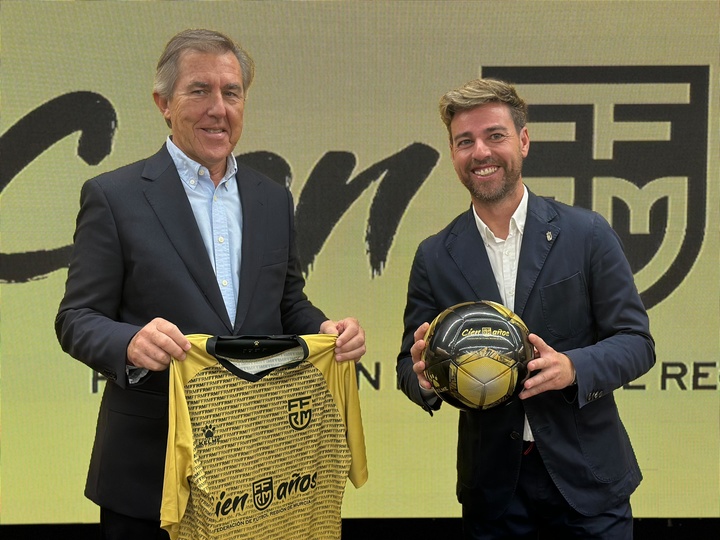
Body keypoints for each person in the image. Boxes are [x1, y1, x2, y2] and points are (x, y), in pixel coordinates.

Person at [56, 28, 365, 540]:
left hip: (257, 473)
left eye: (232, 92)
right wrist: (129, 342)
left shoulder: (272, 200)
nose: (218, 108)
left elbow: (288, 304)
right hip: (147, 477)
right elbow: (75, 319)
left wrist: (326, 327)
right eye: (199, 90)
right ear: (163, 103)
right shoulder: (114, 196)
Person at [396, 78, 655, 539]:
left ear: (523, 141)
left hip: (589, 486)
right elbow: (406, 366)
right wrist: (422, 379)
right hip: (494, 495)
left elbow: (637, 343)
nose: (481, 152)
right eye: (465, 141)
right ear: (454, 153)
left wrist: (573, 367)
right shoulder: (434, 256)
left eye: (495, 135)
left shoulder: (586, 233)